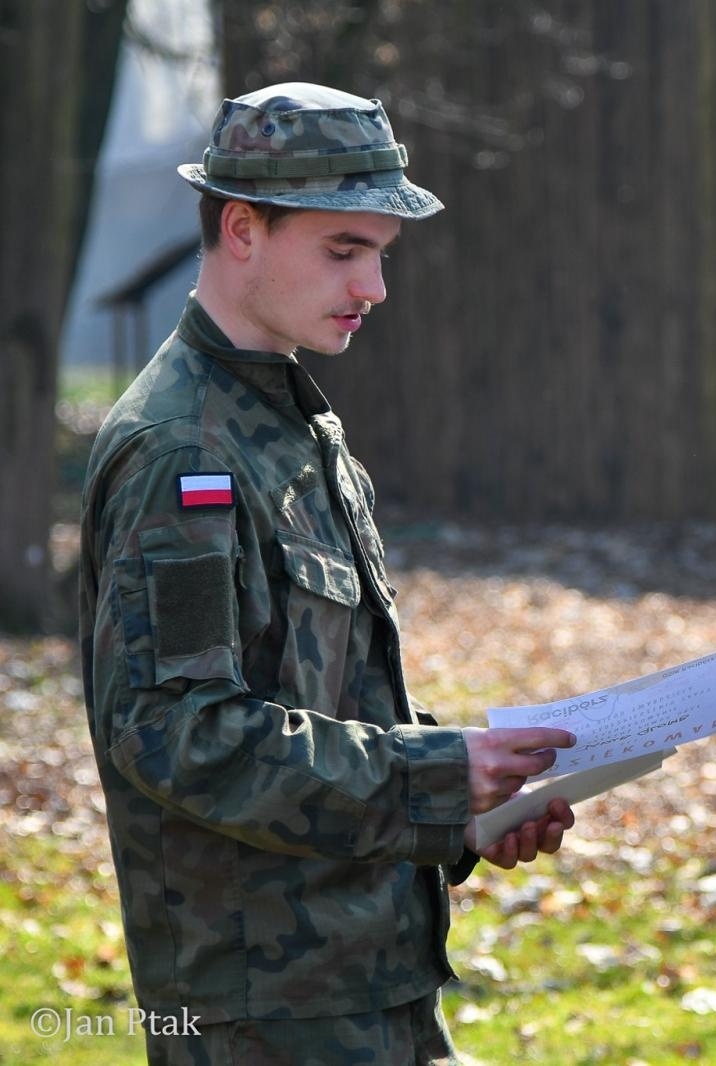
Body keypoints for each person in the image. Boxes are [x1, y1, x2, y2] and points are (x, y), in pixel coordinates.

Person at [79, 83, 577, 1064]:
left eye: (380, 255)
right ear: (242, 229)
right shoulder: (184, 447)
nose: (373, 287)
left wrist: (471, 807)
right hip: (264, 1006)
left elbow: (322, 699)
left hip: (362, 975)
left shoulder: (293, 425)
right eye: (343, 249)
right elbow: (178, 732)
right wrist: (435, 777)